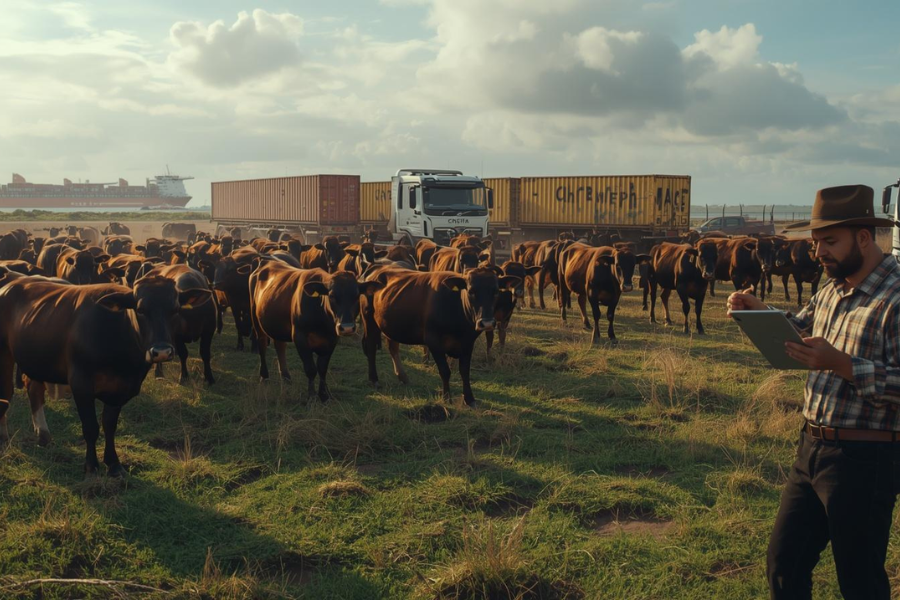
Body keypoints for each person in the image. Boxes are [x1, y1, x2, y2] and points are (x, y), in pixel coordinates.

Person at [727, 184, 900, 599]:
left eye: (829, 241)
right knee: (784, 566)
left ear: (863, 237)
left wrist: (841, 364)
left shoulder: (896, 297)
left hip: (866, 459)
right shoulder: (831, 289)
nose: (818, 252)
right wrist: (760, 312)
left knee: (859, 581)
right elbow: (800, 330)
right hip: (811, 449)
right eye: (815, 242)